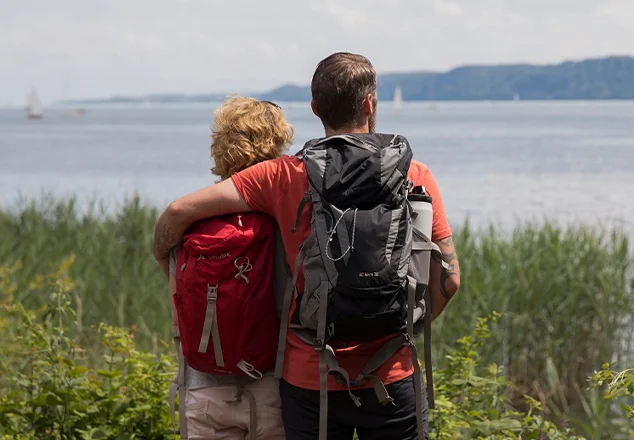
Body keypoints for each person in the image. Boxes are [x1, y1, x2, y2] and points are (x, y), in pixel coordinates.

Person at [153, 52, 461, 440]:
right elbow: (449, 281)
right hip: (392, 374)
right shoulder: (416, 175)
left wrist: (166, 262)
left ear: (315, 109)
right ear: (370, 103)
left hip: (310, 381)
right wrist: (399, 330)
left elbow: (179, 211)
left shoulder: (281, 175)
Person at [172, 95, 294, 440]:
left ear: (219, 147)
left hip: (201, 387)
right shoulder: (281, 221)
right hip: (270, 386)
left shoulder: (189, 217)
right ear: (276, 149)